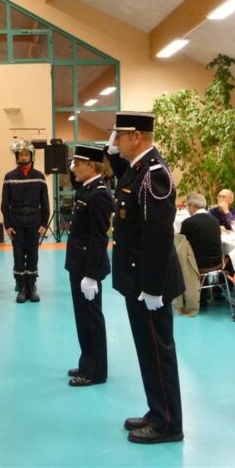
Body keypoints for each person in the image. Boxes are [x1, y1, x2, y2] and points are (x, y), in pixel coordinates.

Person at [108, 111, 184, 444]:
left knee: (158, 351)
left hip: (149, 283)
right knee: (146, 350)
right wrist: (112, 150)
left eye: (120, 135)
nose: (117, 141)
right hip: (137, 281)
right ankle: (157, 411)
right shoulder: (137, 169)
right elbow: (119, 171)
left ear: (137, 136)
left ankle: (169, 423)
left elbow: (158, 237)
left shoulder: (154, 175)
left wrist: (152, 288)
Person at [65, 145, 113, 387]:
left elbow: (99, 237)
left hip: (88, 267)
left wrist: (92, 275)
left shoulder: (100, 194)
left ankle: (96, 371)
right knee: (82, 318)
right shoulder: (87, 189)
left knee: (91, 318)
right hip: (78, 263)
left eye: (78, 163)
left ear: (91, 166)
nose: (73, 168)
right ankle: (87, 362)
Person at [1, 139, 50, 303]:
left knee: (33, 255)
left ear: (31, 155)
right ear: (17, 156)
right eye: (20, 154)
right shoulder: (9, 177)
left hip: (34, 222)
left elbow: (45, 203)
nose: (23, 157)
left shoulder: (39, 177)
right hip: (16, 223)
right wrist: (7, 225)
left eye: (26, 154)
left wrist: (44, 224)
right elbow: (4, 204)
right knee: (18, 255)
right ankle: (21, 287)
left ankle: (31, 286)